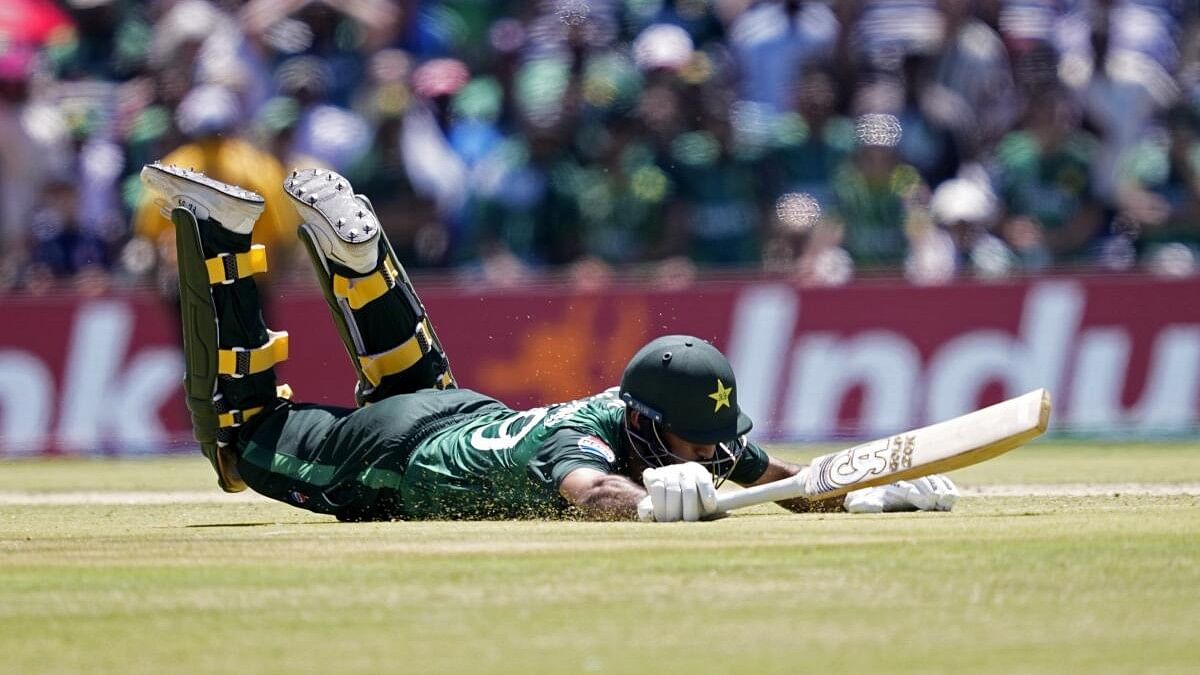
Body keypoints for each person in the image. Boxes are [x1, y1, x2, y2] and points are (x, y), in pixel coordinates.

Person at [139, 162, 959, 522]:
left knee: (401, 377)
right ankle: (218, 228)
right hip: (386, 463)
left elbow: (770, 475)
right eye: (694, 443)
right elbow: (591, 491)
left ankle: (360, 260)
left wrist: (859, 491)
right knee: (240, 440)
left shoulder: (671, 416)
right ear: (641, 423)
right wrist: (650, 504)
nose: (709, 451)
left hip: (452, 413)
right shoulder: (585, 437)